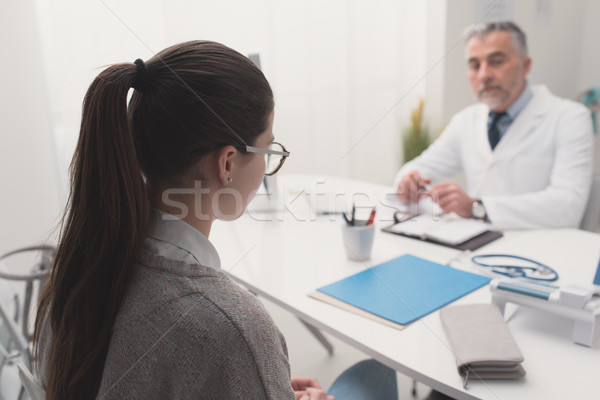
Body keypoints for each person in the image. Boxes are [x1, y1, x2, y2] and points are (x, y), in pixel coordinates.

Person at [32, 41, 398, 400]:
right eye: (268, 149)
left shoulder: (74, 269)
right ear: (226, 163)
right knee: (375, 374)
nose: (269, 164)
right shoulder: (232, 328)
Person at [395, 21, 594, 230]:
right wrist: (407, 183)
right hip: (474, 244)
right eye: (474, 65)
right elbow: (418, 168)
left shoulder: (570, 118)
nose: (484, 75)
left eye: (496, 62)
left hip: (543, 249)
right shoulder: (465, 121)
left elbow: (568, 206)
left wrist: (477, 208)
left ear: (525, 66)